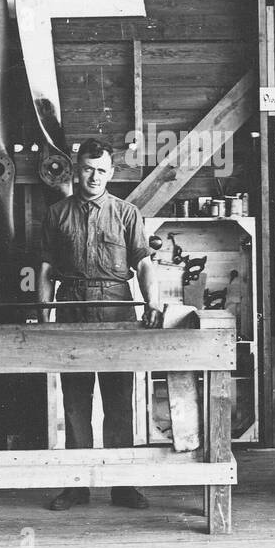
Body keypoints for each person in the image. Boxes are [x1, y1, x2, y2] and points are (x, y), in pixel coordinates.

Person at [38, 138, 162, 511]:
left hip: (116, 310)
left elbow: (142, 264)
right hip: (71, 308)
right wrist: (45, 315)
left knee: (119, 400)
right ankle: (77, 486)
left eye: (102, 170)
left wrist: (152, 302)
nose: (95, 176)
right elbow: (45, 269)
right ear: (77, 170)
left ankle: (123, 486)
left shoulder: (126, 213)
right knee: (75, 401)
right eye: (88, 169)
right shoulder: (56, 213)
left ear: (111, 172)